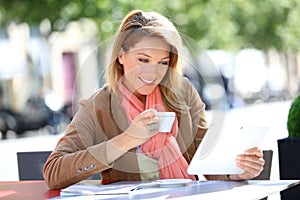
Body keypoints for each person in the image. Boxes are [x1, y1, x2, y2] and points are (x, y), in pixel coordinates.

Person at [43, 10, 265, 189]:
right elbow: (53, 173)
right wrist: (127, 139)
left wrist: (237, 171)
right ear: (121, 56)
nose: (153, 72)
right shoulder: (97, 106)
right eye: (143, 59)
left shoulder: (182, 92)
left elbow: (206, 158)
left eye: (163, 62)